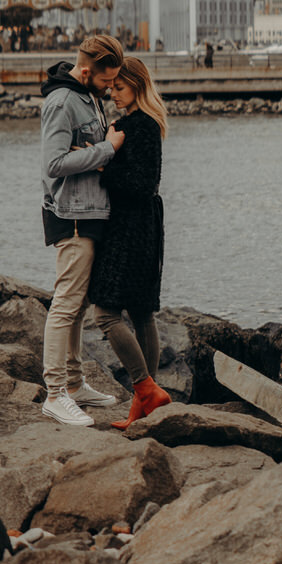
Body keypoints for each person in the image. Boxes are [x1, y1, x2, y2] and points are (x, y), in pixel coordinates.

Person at [39, 32, 125, 427]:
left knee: (76, 306)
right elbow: (54, 163)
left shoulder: (87, 95)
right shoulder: (61, 102)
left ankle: (74, 385)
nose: (111, 89)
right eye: (108, 81)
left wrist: (89, 154)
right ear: (88, 70)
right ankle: (54, 394)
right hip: (71, 213)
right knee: (65, 304)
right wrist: (105, 151)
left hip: (89, 211)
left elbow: (77, 155)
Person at [88, 56, 172, 428]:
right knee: (140, 312)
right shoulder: (135, 125)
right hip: (139, 227)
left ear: (138, 86)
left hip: (131, 229)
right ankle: (144, 411)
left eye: (119, 88)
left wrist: (105, 165)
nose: (113, 95)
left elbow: (143, 184)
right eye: (111, 89)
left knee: (105, 313)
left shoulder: (141, 126)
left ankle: (144, 388)